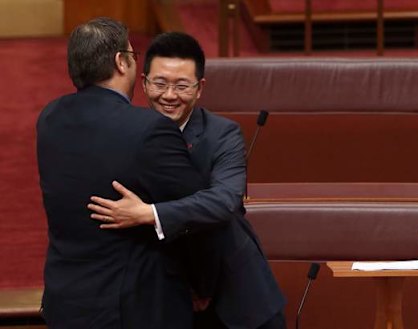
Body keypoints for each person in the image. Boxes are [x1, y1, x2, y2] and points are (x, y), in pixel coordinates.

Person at [88, 32, 286, 329]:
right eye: (160, 83)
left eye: (181, 86)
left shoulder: (223, 134)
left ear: (199, 88)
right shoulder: (126, 134)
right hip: (165, 298)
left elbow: (224, 202)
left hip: (236, 297)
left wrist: (149, 214)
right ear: (143, 82)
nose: (169, 95)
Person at [36, 18, 207, 328]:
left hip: (66, 301)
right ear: (120, 62)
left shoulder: (50, 118)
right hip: (133, 309)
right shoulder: (150, 130)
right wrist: (203, 285)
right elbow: (196, 216)